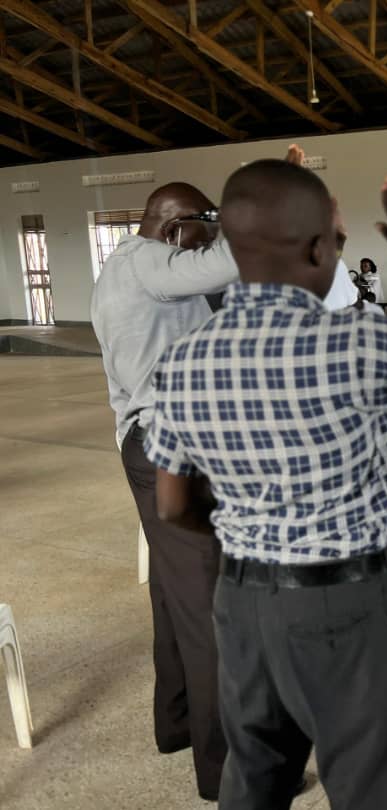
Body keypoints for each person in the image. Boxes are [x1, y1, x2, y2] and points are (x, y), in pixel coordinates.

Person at [142, 164, 387, 809]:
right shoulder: (356, 342)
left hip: (243, 600)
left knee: (254, 777)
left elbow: (172, 505)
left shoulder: (183, 359)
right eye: (336, 238)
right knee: (369, 785)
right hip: (340, 603)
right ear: (317, 250)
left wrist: (252, 534)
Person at [90, 181, 233, 801]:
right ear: (175, 229)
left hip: (150, 447)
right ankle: (228, 772)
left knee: (176, 597)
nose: (210, 243)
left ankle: (175, 724)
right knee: (210, 609)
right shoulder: (147, 262)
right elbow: (232, 260)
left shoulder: (143, 272)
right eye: (207, 228)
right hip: (169, 449)